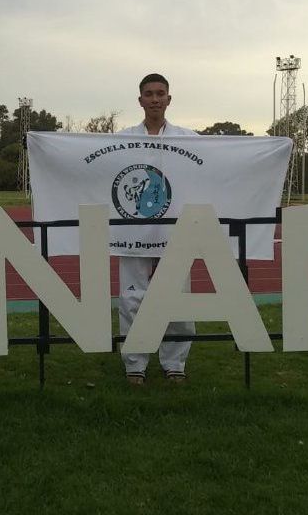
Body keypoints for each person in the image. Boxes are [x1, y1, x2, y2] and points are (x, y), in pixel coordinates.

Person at [117, 73, 197, 385]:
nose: (154, 99)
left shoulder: (188, 139)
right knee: (131, 297)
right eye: (148, 94)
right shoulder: (122, 139)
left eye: (160, 93)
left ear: (168, 99)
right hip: (132, 229)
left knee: (177, 296)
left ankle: (175, 362)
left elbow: (221, 160)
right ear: (140, 100)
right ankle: (134, 362)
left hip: (176, 230)